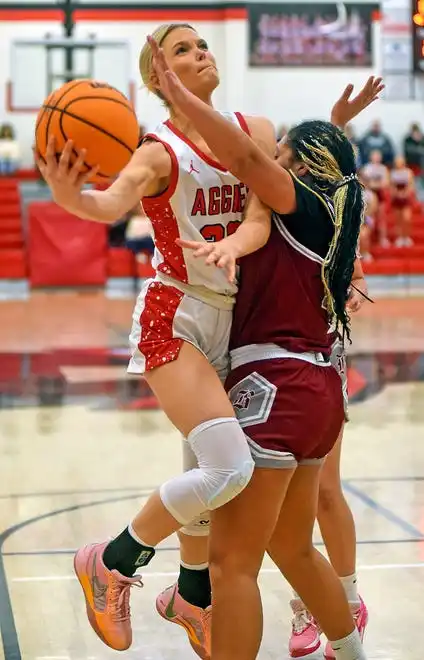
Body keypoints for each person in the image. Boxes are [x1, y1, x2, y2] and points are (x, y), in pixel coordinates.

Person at [35, 22, 277, 652]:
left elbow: (258, 218)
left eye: (201, 45)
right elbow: (110, 204)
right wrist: (70, 197)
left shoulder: (256, 131)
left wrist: (234, 243)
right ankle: (113, 559)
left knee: (203, 465)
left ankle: (192, 597)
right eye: (182, 50)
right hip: (179, 315)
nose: (200, 54)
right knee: (229, 468)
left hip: (240, 317)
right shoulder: (157, 151)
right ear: (158, 79)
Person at [149, 41, 382, 660]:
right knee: (295, 550)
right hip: (319, 394)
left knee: (232, 567)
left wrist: (184, 102)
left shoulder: (293, 202)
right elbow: (301, 161)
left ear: (298, 169)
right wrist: (336, 127)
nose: (268, 164)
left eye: (283, 158)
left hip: (274, 390)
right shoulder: (331, 208)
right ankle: (353, 652)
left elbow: (250, 157)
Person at [361, 150, 389, 246]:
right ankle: (369, 240)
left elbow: (385, 183)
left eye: (378, 156)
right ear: (370, 157)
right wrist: (375, 184)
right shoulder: (366, 168)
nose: (376, 158)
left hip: (380, 195)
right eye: (374, 156)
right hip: (369, 196)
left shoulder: (383, 168)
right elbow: (364, 182)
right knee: (369, 217)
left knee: (381, 217)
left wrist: (373, 184)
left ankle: (383, 238)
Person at [390, 155, 415, 247]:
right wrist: (396, 194)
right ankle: (400, 237)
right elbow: (391, 185)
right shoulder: (393, 172)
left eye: (400, 162)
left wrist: (405, 193)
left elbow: (411, 185)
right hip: (396, 197)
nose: (398, 164)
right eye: (397, 162)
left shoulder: (408, 172)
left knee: (406, 218)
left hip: (406, 196)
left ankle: (406, 236)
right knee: (398, 219)